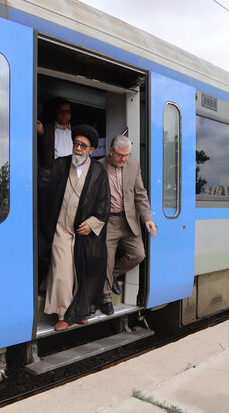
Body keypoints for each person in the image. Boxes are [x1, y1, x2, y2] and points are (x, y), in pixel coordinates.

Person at [39, 124, 111, 331]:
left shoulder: (98, 171)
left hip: (84, 233)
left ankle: (78, 311)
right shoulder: (60, 165)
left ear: (91, 150)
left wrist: (92, 224)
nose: (78, 149)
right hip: (62, 229)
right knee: (62, 272)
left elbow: (104, 203)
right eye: (76, 144)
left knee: (81, 273)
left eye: (83, 146)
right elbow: (41, 181)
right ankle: (64, 314)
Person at [98, 135, 156, 316]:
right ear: (111, 151)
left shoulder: (134, 166)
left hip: (129, 220)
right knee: (106, 258)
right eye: (121, 155)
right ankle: (105, 298)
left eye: (127, 155)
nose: (124, 159)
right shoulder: (98, 166)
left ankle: (113, 275)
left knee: (138, 254)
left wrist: (147, 218)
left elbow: (141, 194)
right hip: (108, 221)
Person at [37, 97, 73, 168]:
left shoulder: (76, 131)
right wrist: (41, 133)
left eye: (68, 112)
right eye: (62, 111)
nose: (65, 114)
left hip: (72, 173)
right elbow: (41, 150)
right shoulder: (46, 129)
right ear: (56, 111)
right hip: (53, 174)